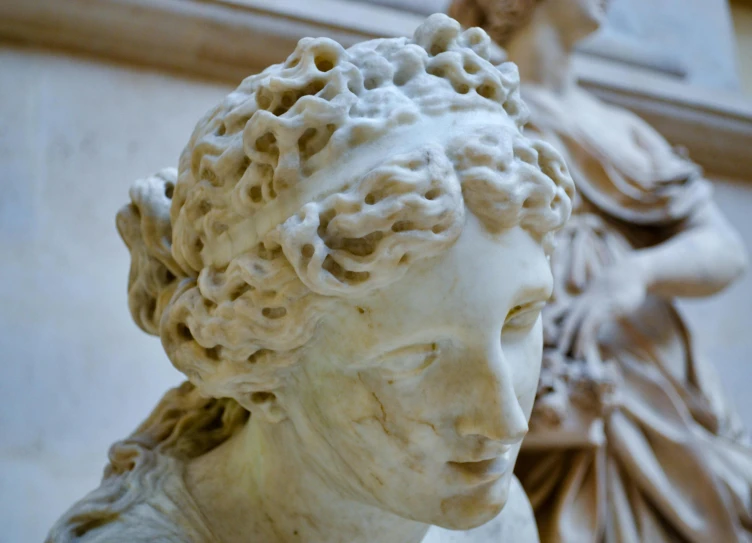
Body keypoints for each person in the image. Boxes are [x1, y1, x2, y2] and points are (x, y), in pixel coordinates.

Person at [46, 15, 575, 543]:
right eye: (414, 358)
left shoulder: (498, 528)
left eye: (519, 319)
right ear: (261, 368)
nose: (507, 423)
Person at [449, 1, 752, 541]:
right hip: (540, 368)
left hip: (651, 371)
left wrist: (634, 275)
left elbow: (725, 250)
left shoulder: (623, 130)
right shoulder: (476, 104)